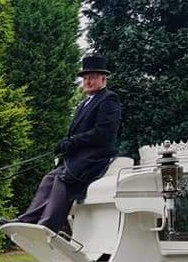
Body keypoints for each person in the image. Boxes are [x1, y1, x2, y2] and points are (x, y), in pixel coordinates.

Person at [7, 54, 121, 233]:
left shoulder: (108, 99)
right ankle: (26, 220)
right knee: (49, 178)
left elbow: (103, 133)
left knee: (63, 179)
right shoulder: (84, 104)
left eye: (92, 78)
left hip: (96, 156)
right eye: (85, 78)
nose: (87, 82)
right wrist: (65, 143)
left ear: (103, 78)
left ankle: (47, 225)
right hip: (78, 157)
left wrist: (73, 142)